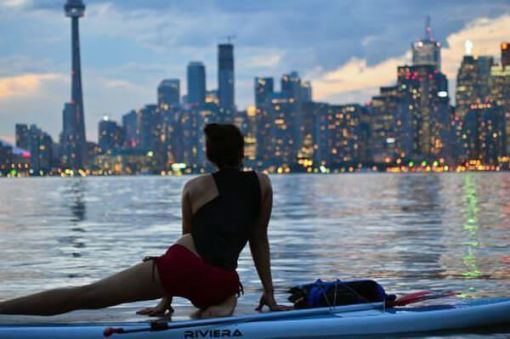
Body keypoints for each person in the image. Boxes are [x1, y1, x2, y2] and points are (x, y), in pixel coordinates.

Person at [0, 123, 291, 318]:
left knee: (86, 295)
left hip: (179, 267)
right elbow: (258, 241)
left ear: (209, 153)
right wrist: (269, 292)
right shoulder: (262, 183)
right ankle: (216, 311)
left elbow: (187, 239)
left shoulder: (193, 186)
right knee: (227, 297)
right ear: (242, 150)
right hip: (219, 281)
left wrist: (166, 300)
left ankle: (3, 310)